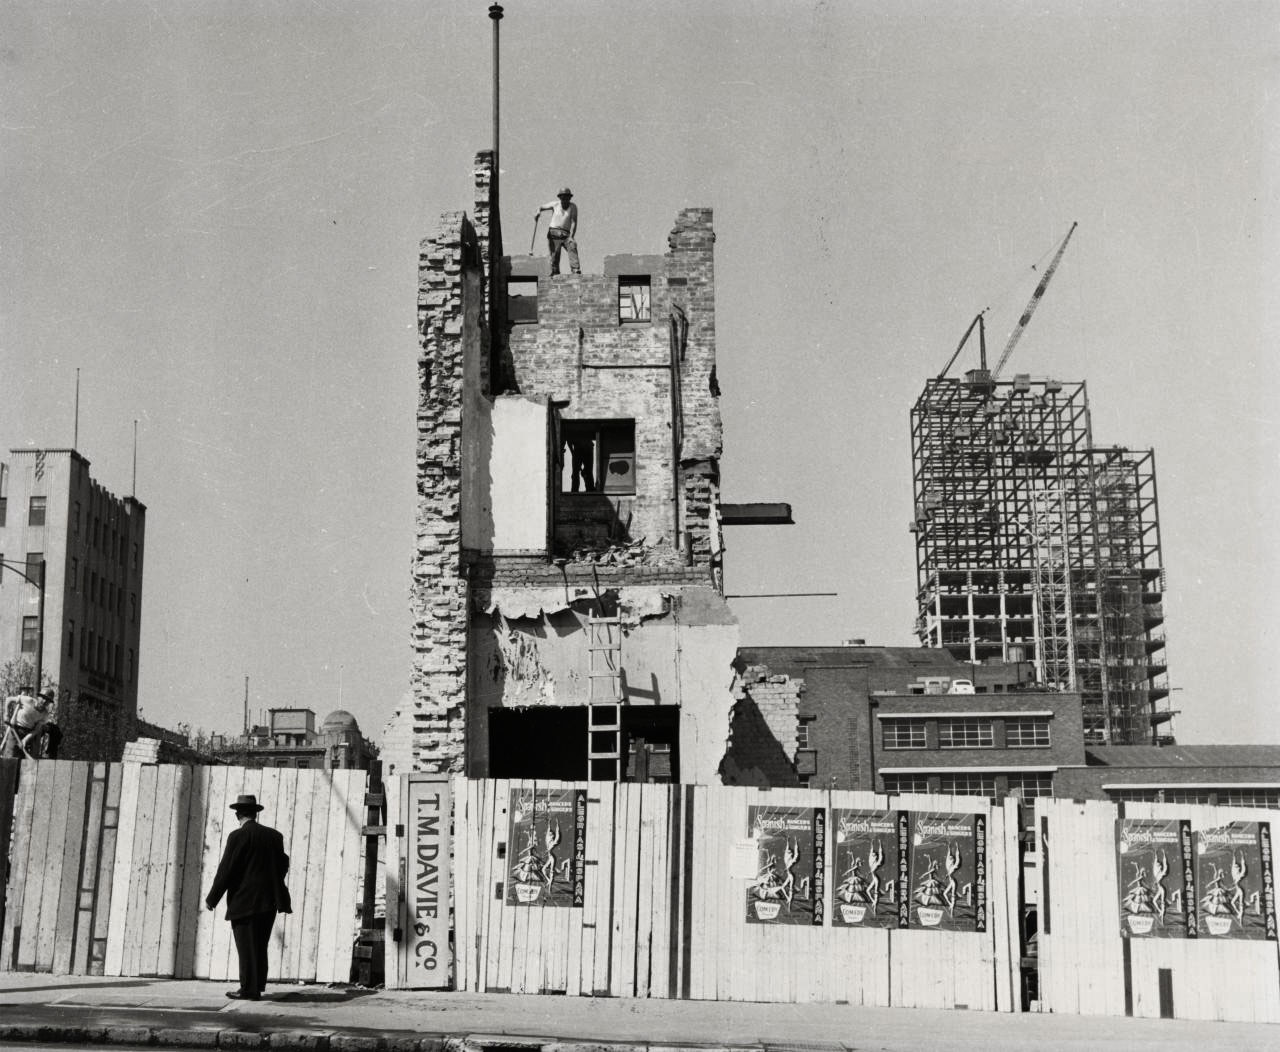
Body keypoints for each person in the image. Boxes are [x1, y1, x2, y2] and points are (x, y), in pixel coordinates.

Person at [206, 794, 292, 1000]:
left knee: (246, 947)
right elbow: (283, 865)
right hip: (269, 900)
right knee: (260, 944)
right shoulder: (275, 836)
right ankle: (258, 984)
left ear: (238, 814)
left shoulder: (237, 836)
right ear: (255, 813)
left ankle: (249, 990)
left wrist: (212, 898)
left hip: (244, 901)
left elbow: (227, 869)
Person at [536, 187, 580, 275]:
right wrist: (537, 213)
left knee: (572, 245)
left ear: (569, 198)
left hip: (566, 234)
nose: (564, 199)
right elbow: (540, 207)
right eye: (563, 197)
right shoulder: (555, 204)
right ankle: (555, 272)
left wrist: (571, 236)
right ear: (560, 198)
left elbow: (574, 222)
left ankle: (575, 269)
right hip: (554, 233)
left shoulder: (573, 207)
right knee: (555, 253)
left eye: (567, 197)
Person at [1, 690, 53, 759]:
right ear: (39, 697)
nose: (44, 701)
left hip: (27, 733)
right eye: (43, 698)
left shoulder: (45, 715)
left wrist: (25, 739)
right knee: (9, 757)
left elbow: (36, 730)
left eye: (47, 700)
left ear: (49, 703)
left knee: (22, 759)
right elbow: (8, 699)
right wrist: (6, 714)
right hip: (15, 729)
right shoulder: (28, 701)